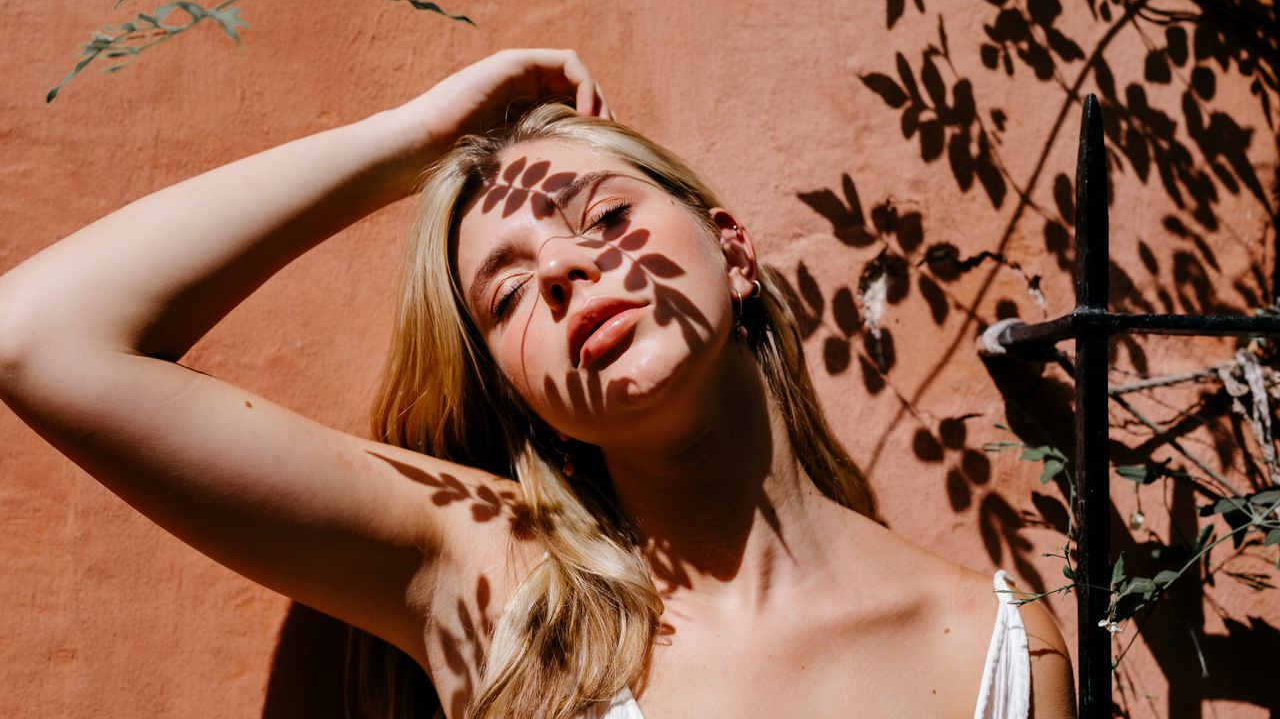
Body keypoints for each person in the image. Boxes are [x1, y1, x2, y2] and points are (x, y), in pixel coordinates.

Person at [0, 49, 1076, 718]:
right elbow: (39, 337)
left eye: (605, 220)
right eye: (505, 296)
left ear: (733, 250)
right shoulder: (494, 580)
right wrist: (414, 144)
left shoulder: (995, 644)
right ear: (520, 393)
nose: (561, 271)